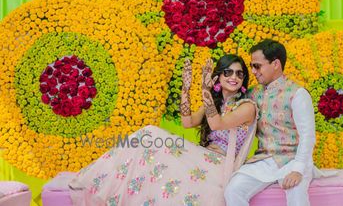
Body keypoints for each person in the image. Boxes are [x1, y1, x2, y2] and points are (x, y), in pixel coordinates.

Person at [69, 54, 257, 206]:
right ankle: (101, 183)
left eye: (239, 74)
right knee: (146, 141)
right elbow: (187, 122)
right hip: (203, 157)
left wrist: (205, 90)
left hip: (221, 165)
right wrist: (186, 88)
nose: (234, 77)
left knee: (151, 133)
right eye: (228, 72)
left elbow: (217, 124)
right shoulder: (216, 103)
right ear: (219, 76)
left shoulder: (246, 106)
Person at [224, 39, 316, 206]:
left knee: (296, 193)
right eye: (251, 66)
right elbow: (228, 105)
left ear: (275, 64)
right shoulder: (253, 93)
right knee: (233, 190)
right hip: (264, 160)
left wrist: (298, 170)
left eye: (257, 66)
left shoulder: (298, 94)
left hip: (293, 160)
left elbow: (308, 136)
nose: (253, 71)